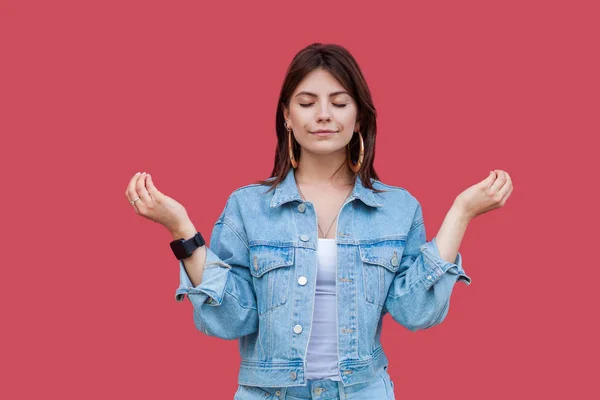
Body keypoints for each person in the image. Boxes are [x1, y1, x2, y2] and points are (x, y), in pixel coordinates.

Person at [124, 43, 513, 400]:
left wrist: (461, 212)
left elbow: (416, 312)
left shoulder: (398, 208)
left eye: (340, 102)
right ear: (287, 116)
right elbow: (230, 319)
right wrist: (181, 231)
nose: (324, 115)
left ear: (358, 116)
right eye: (307, 102)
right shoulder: (248, 206)